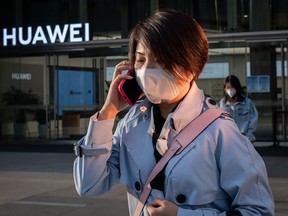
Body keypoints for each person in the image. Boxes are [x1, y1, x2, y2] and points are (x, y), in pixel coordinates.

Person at [73, 9, 274, 216]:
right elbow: (89, 184)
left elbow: (258, 211)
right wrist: (108, 112)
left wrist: (182, 215)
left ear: (193, 67)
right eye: (141, 60)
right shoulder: (132, 123)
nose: (147, 71)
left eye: (163, 60)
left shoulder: (221, 130)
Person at [218, 75, 258, 143]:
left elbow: (254, 119)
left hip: (244, 140)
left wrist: (248, 135)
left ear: (237, 88)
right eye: (228, 88)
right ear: (224, 89)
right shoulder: (221, 104)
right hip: (227, 141)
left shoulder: (247, 103)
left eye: (232, 87)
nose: (230, 90)